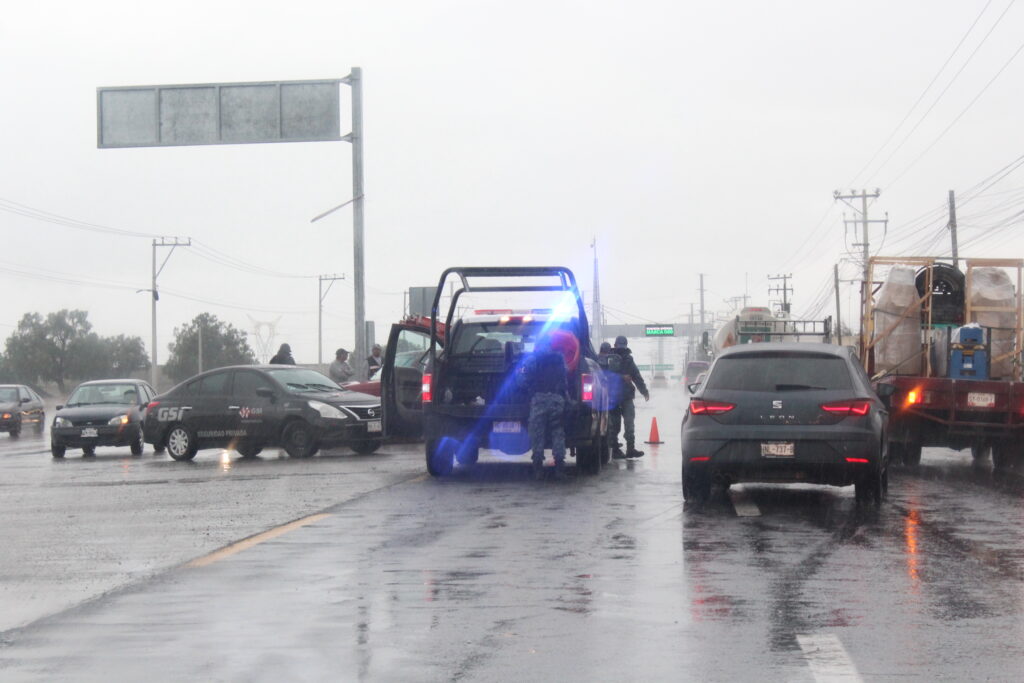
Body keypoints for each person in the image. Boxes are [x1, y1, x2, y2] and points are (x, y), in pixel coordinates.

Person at [518, 335, 570, 480]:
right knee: (558, 432)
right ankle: (560, 468)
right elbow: (565, 376)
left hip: (539, 399)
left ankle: (538, 470)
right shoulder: (559, 358)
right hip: (557, 399)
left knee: (537, 434)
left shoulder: (532, 359)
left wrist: (528, 390)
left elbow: (521, 380)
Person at [608, 335, 649, 459]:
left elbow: (636, 376)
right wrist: (622, 377)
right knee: (615, 425)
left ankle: (630, 449)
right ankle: (615, 450)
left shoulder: (628, 360)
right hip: (614, 397)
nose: (621, 350)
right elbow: (606, 376)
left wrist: (644, 391)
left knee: (629, 424)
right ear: (615, 346)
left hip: (625, 397)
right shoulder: (609, 359)